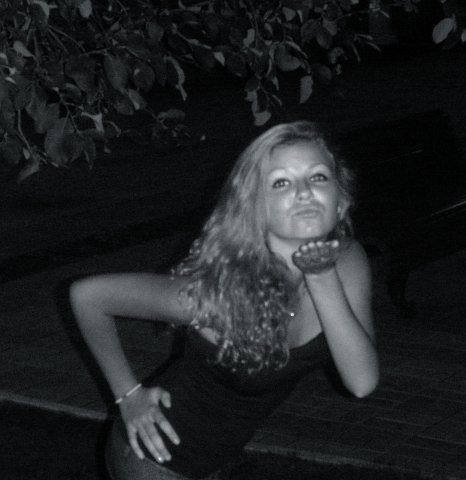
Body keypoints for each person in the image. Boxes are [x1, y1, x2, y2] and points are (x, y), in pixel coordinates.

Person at [70, 121, 379, 480]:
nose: (305, 192)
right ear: (254, 207)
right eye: (281, 182)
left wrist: (321, 276)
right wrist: (128, 395)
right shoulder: (220, 294)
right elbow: (88, 297)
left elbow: (361, 381)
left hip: (214, 459)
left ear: (341, 201)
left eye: (318, 177)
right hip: (155, 460)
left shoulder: (348, 261)